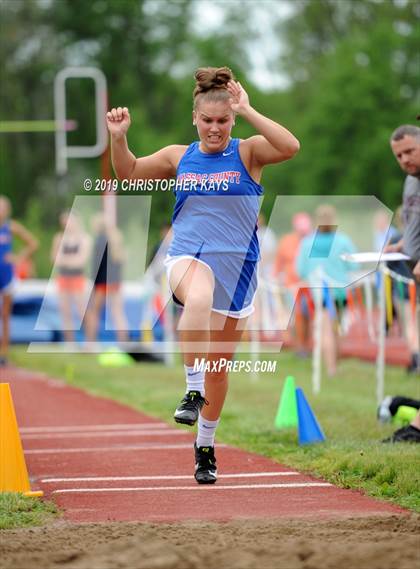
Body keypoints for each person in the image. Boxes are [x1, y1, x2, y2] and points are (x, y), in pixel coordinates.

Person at [107, 66, 300, 483]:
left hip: (240, 271)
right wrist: (118, 139)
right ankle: (191, 390)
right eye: (208, 121)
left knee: (220, 369)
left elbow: (290, 146)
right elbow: (129, 173)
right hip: (188, 257)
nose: (215, 129)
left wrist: (248, 109)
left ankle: (205, 446)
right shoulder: (180, 156)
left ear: (231, 119)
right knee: (197, 295)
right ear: (194, 118)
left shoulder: (248, 152)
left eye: (223, 120)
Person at [384, 124, 420, 443]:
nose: (405, 159)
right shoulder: (411, 182)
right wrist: (402, 246)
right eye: (399, 155)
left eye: (410, 151)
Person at [296, 205, 357, 377]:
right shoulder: (343, 240)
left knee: (326, 329)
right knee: (337, 328)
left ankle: (331, 369)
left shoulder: (307, 242)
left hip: (320, 292)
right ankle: (336, 362)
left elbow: (300, 269)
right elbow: (354, 264)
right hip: (341, 291)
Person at [0, 196, 38, 365]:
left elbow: (33, 243)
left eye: (2, 208)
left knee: (5, 315)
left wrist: (18, 258)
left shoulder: (11, 227)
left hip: (6, 276)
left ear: (7, 211)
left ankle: (4, 353)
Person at [85, 212, 128, 345]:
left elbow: (96, 265)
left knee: (93, 312)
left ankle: (90, 343)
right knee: (118, 313)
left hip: (102, 283)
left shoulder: (99, 240)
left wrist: (93, 283)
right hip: (115, 282)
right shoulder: (116, 240)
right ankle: (124, 343)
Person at [272, 212, 312, 356]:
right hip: (292, 286)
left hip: (309, 285)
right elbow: (279, 261)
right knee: (297, 316)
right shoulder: (287, 241)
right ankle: (300, 347)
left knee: (308, 317)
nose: (303, 234)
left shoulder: (312, 241)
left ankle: (306, 344)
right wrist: (274, 276)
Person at [51, 210, 91, 343]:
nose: (66, 225)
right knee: (65, 311)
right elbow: (54, 259)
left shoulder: (84, 238)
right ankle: (70, 342)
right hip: (63, 278)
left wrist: (64, 259)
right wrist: (69, 260)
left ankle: (90, 341)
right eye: (64, 222)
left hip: (77, 278)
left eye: (69, 221)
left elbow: (80, 261)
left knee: (82, 310)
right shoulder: (59, 238)